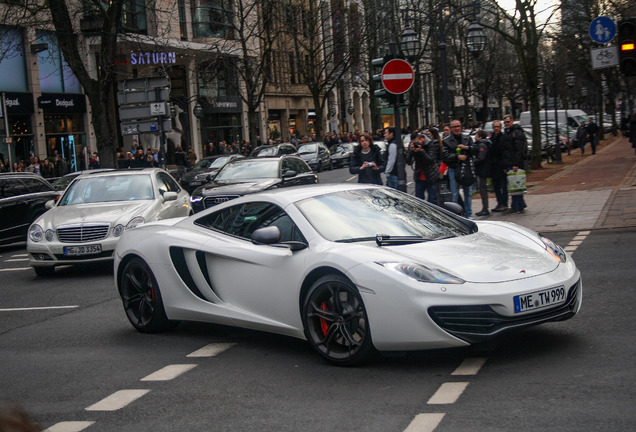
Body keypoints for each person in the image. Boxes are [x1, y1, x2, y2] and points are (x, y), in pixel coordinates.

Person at [441, 119, 477, 218]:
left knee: (468, 193)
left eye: (458, 126)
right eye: (454, 127)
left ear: (461, 127)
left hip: (466, 169)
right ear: (451, 128)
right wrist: (457, 157)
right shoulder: (446, 140)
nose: (457, 128)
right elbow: (444, 156)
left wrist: (466, 148)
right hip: (454, 169)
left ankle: (468, 215)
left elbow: (474, 149)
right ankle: (456, 217)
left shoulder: (467, 138)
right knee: (454, 194)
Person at [502, 115, 527, 214]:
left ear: (512, 121)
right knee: (516, 185)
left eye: (508, 122)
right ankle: (519, 205)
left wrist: (516, 164)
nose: (506, 124)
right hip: (510, 162)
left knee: (515, 185)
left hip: (514, 163)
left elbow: (518, 150)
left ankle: (516, 206)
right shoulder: (509, 132)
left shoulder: (516, 133)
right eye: (505, 122)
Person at [406, 129, 439, 204]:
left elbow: (430, 160)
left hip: (431, 176)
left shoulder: (430, 143)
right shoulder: (412, 145)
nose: (416, 144)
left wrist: (421, 151)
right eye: (413, 142)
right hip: (419, 176)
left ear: (421, 139)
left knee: (432, 200)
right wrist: (411, 151)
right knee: (419, 201)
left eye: (417, 141)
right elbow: (408, 161)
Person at [489, 120, 508, 212]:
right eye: (495, 127)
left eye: (498, 127)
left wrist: (505, 166)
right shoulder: (492, 138)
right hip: (493, 165)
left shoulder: (503, 138)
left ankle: (504, 203)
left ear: (500, 128)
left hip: (501, 165)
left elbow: (504, 152)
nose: (496, 128)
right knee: (496, 186)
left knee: (503, 186)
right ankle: (499, 202)